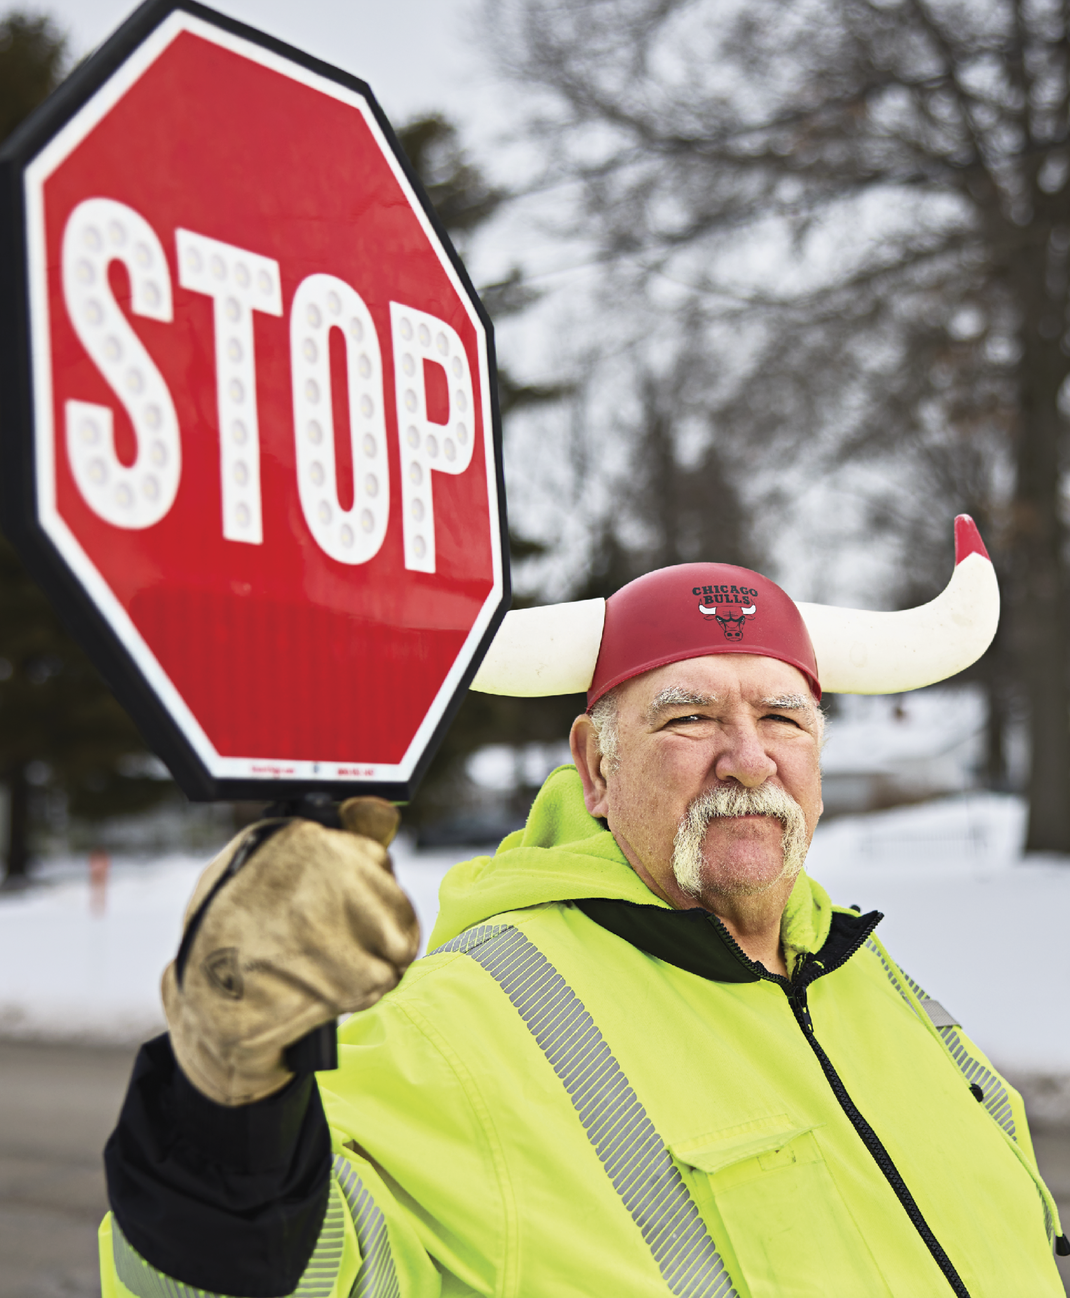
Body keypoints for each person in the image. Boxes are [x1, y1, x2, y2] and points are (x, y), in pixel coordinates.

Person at [100, 518, 1066, 1298]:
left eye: (783, 716)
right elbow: (258, 1276)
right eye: (689, 717)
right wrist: (227, 1097)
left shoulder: (876, 982)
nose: (749, 757)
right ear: (596, 767)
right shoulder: (462, 1024)